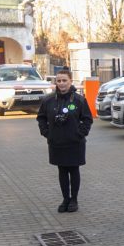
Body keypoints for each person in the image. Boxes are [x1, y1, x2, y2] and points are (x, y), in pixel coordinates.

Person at [37, 69, 93, 213]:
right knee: (62, 171)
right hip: (57, 143)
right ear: (56, 82)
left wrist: (80, 133)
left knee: (74, 170)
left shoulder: (79, 100)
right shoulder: (48, 100)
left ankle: (74, 200)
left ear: (70, 82)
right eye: (59, 81)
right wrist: (46, 133)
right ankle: (65, 199)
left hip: (75, 143)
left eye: (64, 81)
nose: (61, 84)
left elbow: (87, 119)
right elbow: (41, 118)